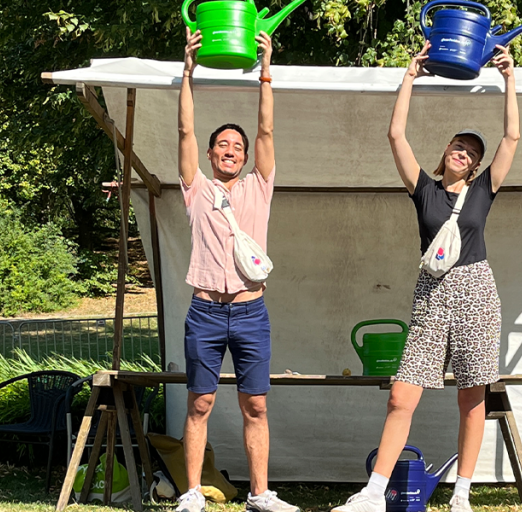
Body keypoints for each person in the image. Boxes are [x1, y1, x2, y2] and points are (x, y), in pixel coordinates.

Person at [333, 41, 521, 512]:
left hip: (477, 289)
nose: (464, 152)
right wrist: (410, 77)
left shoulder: (483, 191)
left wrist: (509, 79)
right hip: (431, 294)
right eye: (459, 145)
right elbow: (396, 136)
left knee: (472, 396)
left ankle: (462, 493)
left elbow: (512, 139)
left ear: (477, 165)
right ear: (446, 152)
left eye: (472, 151)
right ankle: (374, 492)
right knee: (402, 393)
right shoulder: (424, 191)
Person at [175, 26, 298, 512]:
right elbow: (184, 129)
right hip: (204, 312)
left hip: (251, 313)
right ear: (209, 154)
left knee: (257, 405)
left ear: (246, 158)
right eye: (222, 145)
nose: (230, 151)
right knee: (200, 403)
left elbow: (266, 130)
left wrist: (266, 70)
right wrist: (187, 71)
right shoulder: (196, 188)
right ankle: (190, 494)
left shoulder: (257, 188)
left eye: (237, 148)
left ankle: (259, 495)